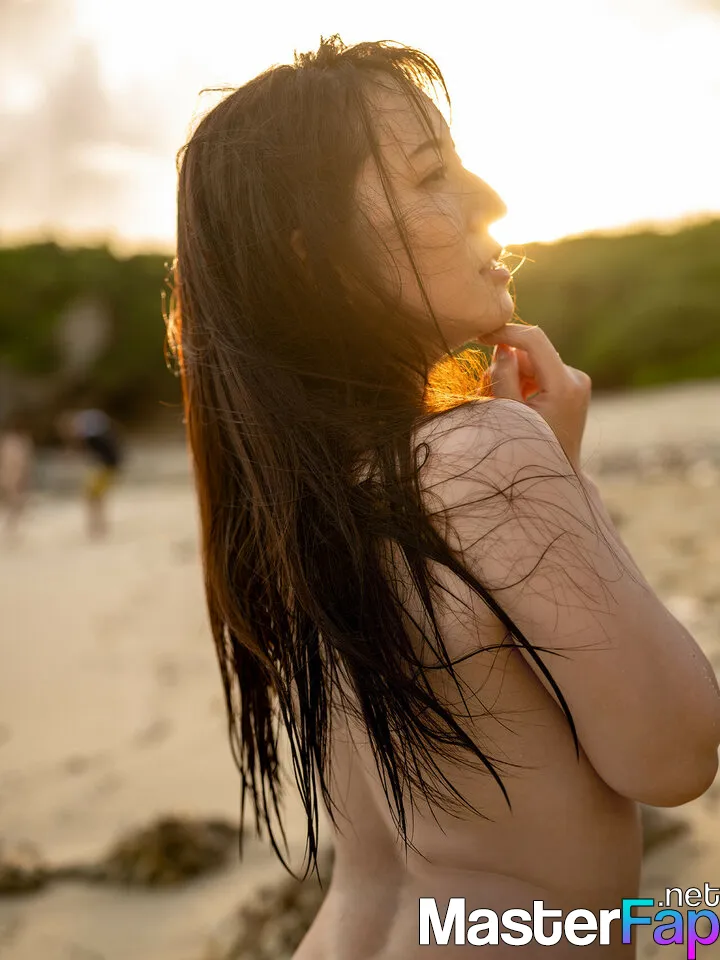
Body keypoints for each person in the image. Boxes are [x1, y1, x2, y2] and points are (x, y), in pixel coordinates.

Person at [167, 37, 720, 958]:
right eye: (431, 174)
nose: (490, 199)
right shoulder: (485, 457)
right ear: (316, 260)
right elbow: (675, 756)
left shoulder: (295, 509)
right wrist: (564, 482)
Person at [56, 408, 123, 539]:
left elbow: (91, 453)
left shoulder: (89, 435)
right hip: (107, 468)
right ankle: (99, 526)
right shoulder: (94, 431)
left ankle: (97, 527)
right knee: (96, 498)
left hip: (104, 468)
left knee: (92, 497)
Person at [0, 412, 34, 543]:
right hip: (10, 474)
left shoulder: (20, 441)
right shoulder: (11, 441)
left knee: (15, 501)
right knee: (13, 501)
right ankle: (11, 525)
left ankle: (12, 526)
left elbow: (26, 462)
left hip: (14, 475)